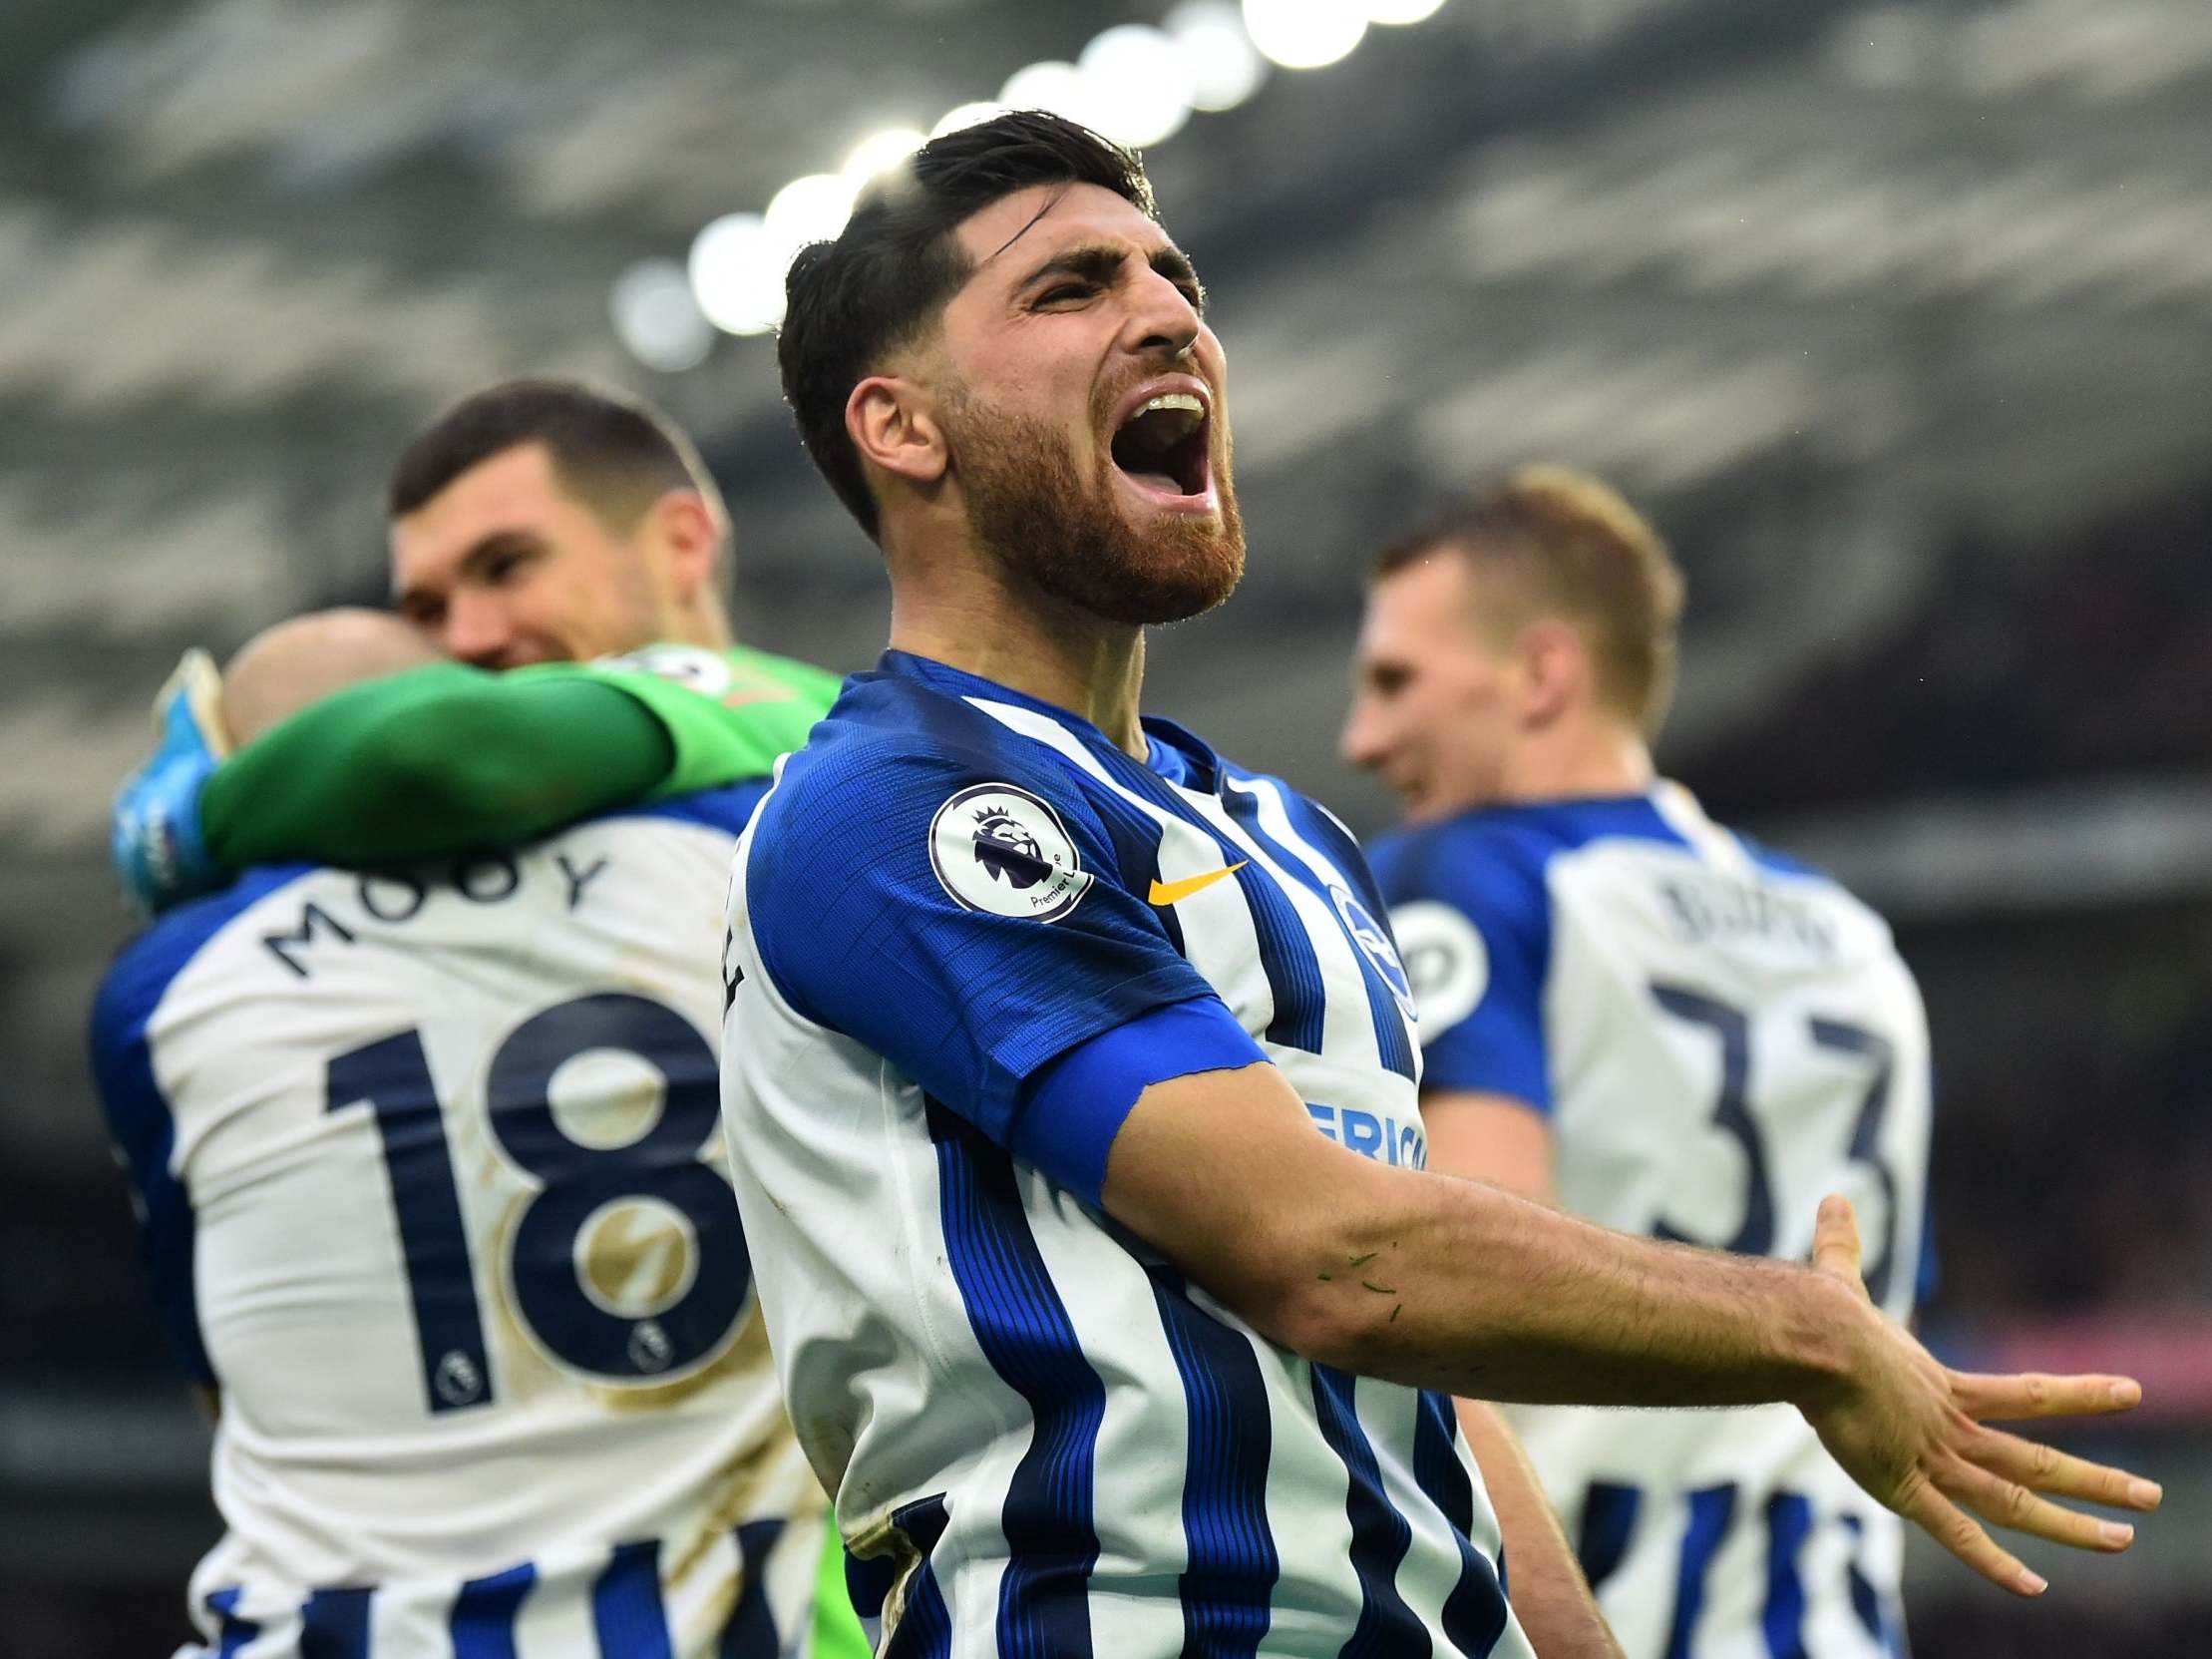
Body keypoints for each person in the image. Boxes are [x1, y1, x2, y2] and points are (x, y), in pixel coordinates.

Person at [715, 110, 2157, 1659]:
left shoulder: (1288, 833)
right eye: (1068, 289)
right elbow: (1329, 1253)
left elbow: (1423, 1366)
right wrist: (1798, 1329)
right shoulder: (900, 798)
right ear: (902, 427)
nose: (1166, 313)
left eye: (1172, 274)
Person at [1341, 468, 1943, 1657]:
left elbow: (1456, 1265)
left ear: (1543, 673)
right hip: (1829, 1611)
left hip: (1595, 1601)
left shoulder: (1467, 876)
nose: (1363, 737)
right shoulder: (1854, 939)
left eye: (1396, 681)